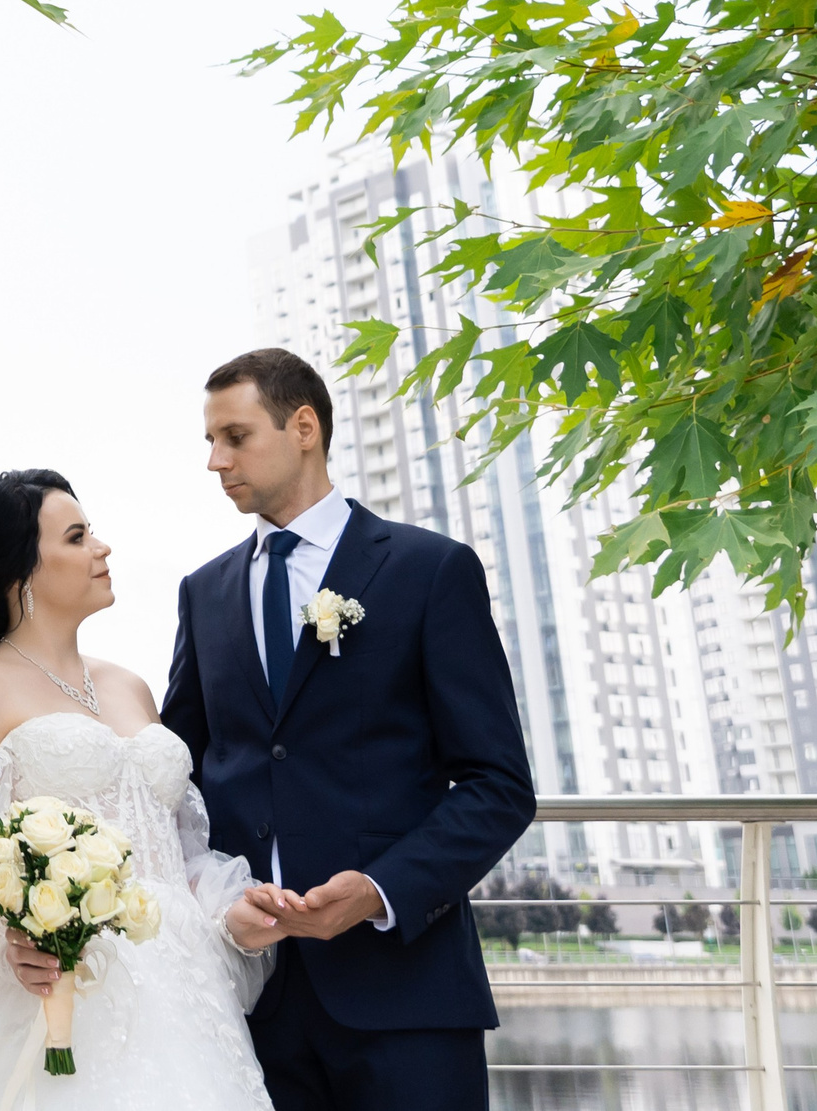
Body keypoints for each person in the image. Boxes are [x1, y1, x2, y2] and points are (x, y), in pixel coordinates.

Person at [161, 348, 537, 1111]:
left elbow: (499, 785)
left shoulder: (430, 570)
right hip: (248, 998)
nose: (214, 460)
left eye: (234, 436)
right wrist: (210, 897)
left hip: (407, 994)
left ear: (304, 426)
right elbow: (181, 779)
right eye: (209, 441)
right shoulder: (203, 592)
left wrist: (376, 890)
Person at [0, 468, 276, 1111]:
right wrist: (11, 947)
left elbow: (176, 849)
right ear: (21, 573)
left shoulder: (130, 685)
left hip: (189, 997)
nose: (101, 549)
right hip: (67, 995)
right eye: (78, 537)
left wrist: (227, 910)